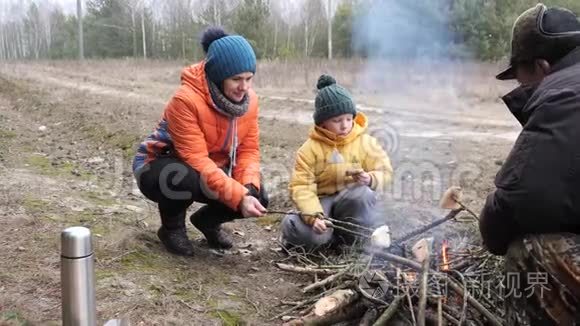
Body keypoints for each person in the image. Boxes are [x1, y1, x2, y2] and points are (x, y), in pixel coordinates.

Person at [480, 4, 580, 325]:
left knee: (529, 250)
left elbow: (519, 201)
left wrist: (490, 226)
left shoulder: (564, 97)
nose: (519, 87)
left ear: (541, 66)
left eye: (519, 76)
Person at [132, 27, 268, 257]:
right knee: (179, 175)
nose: (244, 87)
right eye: (236, 79)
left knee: (257, 193)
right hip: (159, 164)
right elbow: (195, 159)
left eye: (249, 79)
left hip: (209, 167)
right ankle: (171, 229)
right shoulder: (185, 100)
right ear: (218, 75)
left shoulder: (250, 102)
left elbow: (248, 150)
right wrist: (237, 196)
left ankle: (207, 222)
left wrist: (247, 189)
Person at [280, 74, 393, 251]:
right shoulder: (308, 150)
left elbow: (385, 171)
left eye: (349, 119)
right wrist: (314, 217)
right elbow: (301, 187)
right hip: (320, 202)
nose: (344, 126)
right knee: (311, 237)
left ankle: (346, 238)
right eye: (337, 120)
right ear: (323, 123)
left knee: (363, 195)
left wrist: (370, 178)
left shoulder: (366, 143)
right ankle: (306, 230)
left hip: (350, 202)